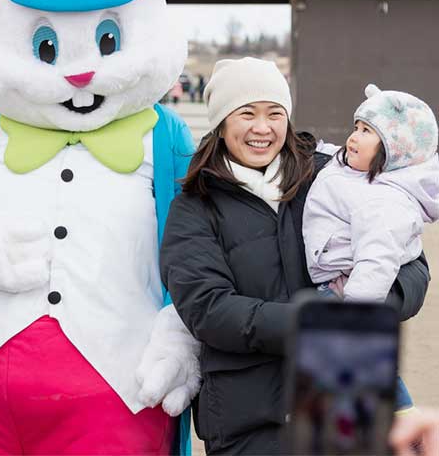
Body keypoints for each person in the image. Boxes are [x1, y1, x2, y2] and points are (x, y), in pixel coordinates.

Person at [160, 57, 430, 455]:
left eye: (274, 113)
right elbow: (207, 308)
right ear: (220, 123)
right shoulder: (196, 205)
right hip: (249, 422)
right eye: (246, 113)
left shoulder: (332, 174)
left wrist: (363, 307)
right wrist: (313, 323)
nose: (262, 128)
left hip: (348, 404)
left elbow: (413, 268)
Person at [303, 83, 439, 412]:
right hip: (335, 284)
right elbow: (335, 163)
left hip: (343, 293)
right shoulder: (357, 172)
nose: (354, 137)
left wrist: (354, 312)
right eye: (357, 127)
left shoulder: (384, 201)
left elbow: (376, 262)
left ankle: (404, 424)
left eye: (367, 131)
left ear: (394, 151)